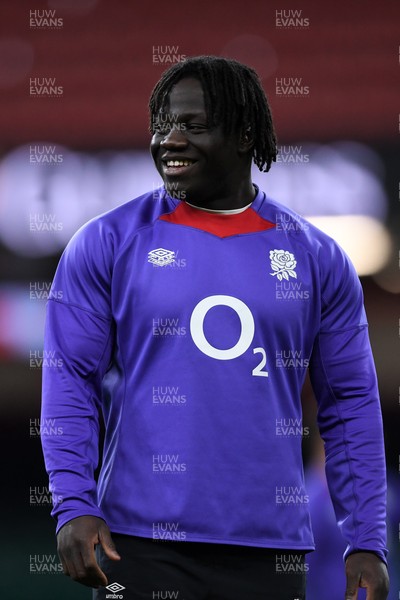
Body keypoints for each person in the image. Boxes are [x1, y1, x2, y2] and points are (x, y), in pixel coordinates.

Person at [41, 56, 389, 600]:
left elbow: (350, 403)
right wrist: (73, 504)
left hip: (269, 551)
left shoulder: (318, 258)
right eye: (162, 125)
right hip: (138, 542)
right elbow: (70, 383)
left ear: (246, 134)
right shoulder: (105, 242)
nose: (170, 140)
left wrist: (366, 537)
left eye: (193, 126)